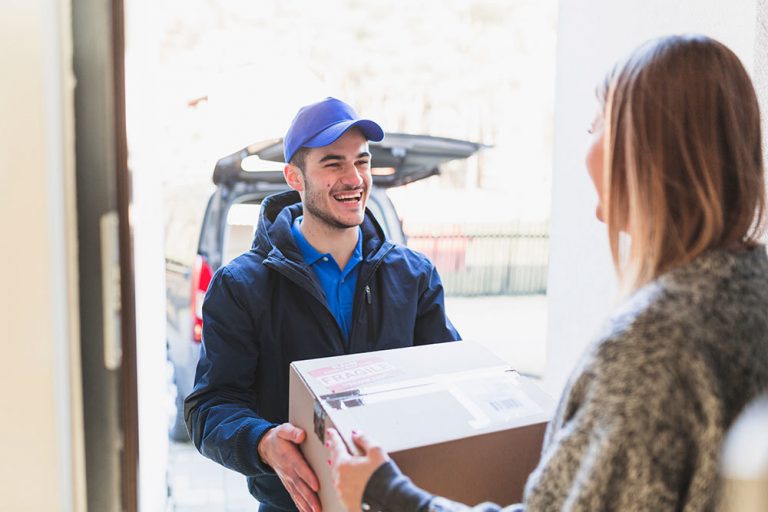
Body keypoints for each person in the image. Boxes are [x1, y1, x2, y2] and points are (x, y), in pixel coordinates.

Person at [326, 34, 768, 511]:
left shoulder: (654, 344)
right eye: (334, 164)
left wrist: (388, 495)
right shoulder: (751, 287)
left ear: (646, 149)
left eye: (598, 123)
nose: (587, 146)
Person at [185, 97, 460, 512]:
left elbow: (451, 379)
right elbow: (210, 407)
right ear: (294, 176)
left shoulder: (413, 276)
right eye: (333, 164)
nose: (354, 178)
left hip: (390, 500)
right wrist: (262, 442)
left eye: (362, 162)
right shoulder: (241, 286)